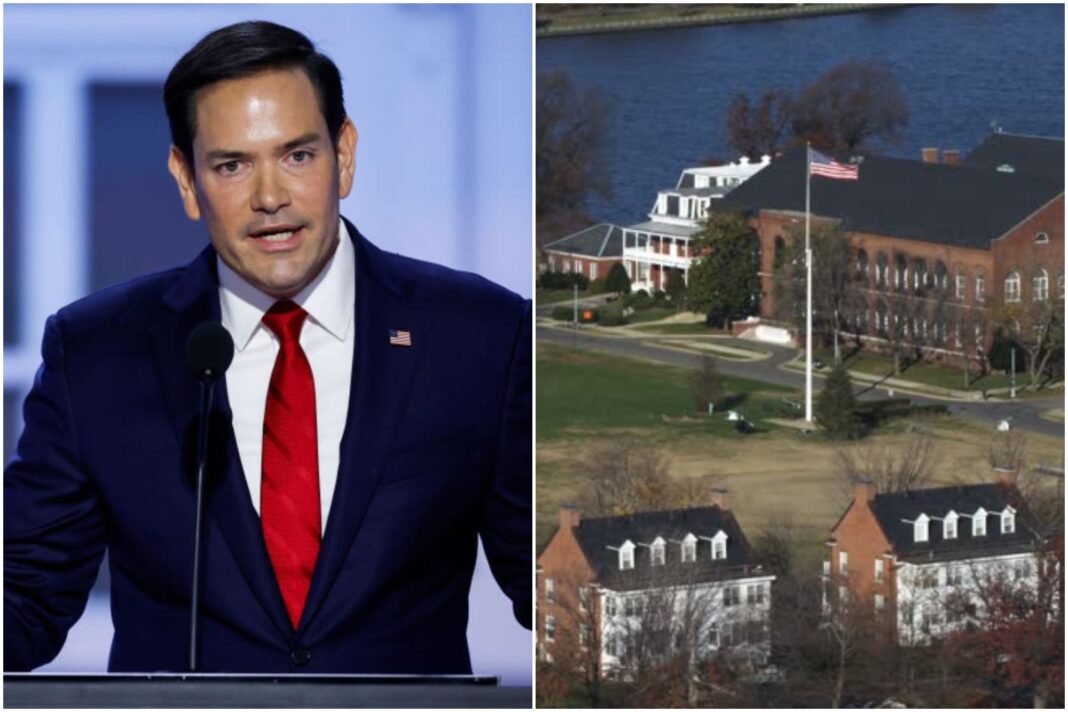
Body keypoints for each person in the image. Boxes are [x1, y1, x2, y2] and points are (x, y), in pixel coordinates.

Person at [4, 20, 531, 673]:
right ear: (186, 179)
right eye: (232, 165)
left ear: (345, 154)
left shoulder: (480, 335)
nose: (271, 198)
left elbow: (550, 587)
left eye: (297, 156)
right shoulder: (97, 354)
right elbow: (23, 600)